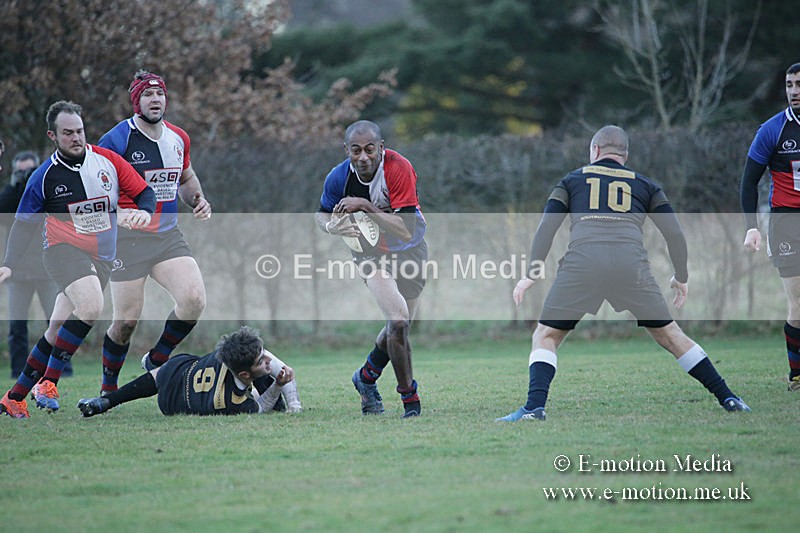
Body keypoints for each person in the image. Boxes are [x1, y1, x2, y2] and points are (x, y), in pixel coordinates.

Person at [497, 125, 750, 422]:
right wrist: (681, 276)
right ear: (624, 156)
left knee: (546, 335)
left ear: (595, 150)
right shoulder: (647, 186)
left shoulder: (571, 180)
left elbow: (547, 227)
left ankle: (534, 407)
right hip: (631, 266)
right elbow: (675, 234)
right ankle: (728, 397)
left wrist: (532, 272)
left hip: (584, 263)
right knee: (671, 335)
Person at [0, 100, 155, 419]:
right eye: (68, 133)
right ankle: (48, 383)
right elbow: (23, 225)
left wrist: (144, 211)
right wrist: (9, 263)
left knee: (56, 328)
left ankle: (14, 398)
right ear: (53, 136)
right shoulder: (43, 177)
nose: (76, 137)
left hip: (102, 258)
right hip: (61, 250)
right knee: (91, 306)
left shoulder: (107, 161)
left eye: (80, 131)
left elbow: (145, 193)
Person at [94, 70, 211, 396]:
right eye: (147, 94)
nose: (155, 99)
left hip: (166, 236)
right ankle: (108, 387)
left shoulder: (178, 138)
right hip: (127, 241)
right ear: (136, 101)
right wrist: (119, 215)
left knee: (194, 300)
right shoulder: (117, 140)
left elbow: (186, 179)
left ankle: (158, 358)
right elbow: (95, 189)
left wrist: (198, 200)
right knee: (125, 322)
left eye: (159, 94)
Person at [315, 120, 428, 418]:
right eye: (356, 150)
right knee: (398, 321)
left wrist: (365, 206)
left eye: (369, 149)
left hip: (411, 249)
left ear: (381, 147)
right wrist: (331, 227)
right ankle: (410, 400)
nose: (363, 157)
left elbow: (405, 229)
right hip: (370, 254)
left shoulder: (399, 168)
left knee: (400, 326)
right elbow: (321, 215)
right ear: (347, 150)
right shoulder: (338, 177)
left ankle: (366, 377)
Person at [77, 326, 301, 416]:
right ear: (243, 374)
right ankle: (152, 367)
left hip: (180, 373)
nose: (268, 359)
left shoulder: (229, 354)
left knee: (162, 374)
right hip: (175, 404)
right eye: (261, 359)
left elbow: (272, 365)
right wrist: (279, 387)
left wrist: (293, 404)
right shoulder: (230, 402)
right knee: (267, 387)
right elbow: (260, 407)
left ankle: (106, 401)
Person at [740, 62, 800, 391]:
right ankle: (797, 375)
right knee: (798, 303)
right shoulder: (772, 130)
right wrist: (751, 227)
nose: (794, 91)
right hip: (786, 222)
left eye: (799, 84)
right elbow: (748, 182)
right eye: (790, 85)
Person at [0, 150, 62, 379]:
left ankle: (61, 370)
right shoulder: (12, 195)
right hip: (18, 273)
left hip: (46, 269)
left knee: (56, 322)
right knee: (17, 327)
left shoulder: (46, 191)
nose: (26, 176)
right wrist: (17, 186)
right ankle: (18, 371)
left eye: (30, 171)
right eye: (21, 172)